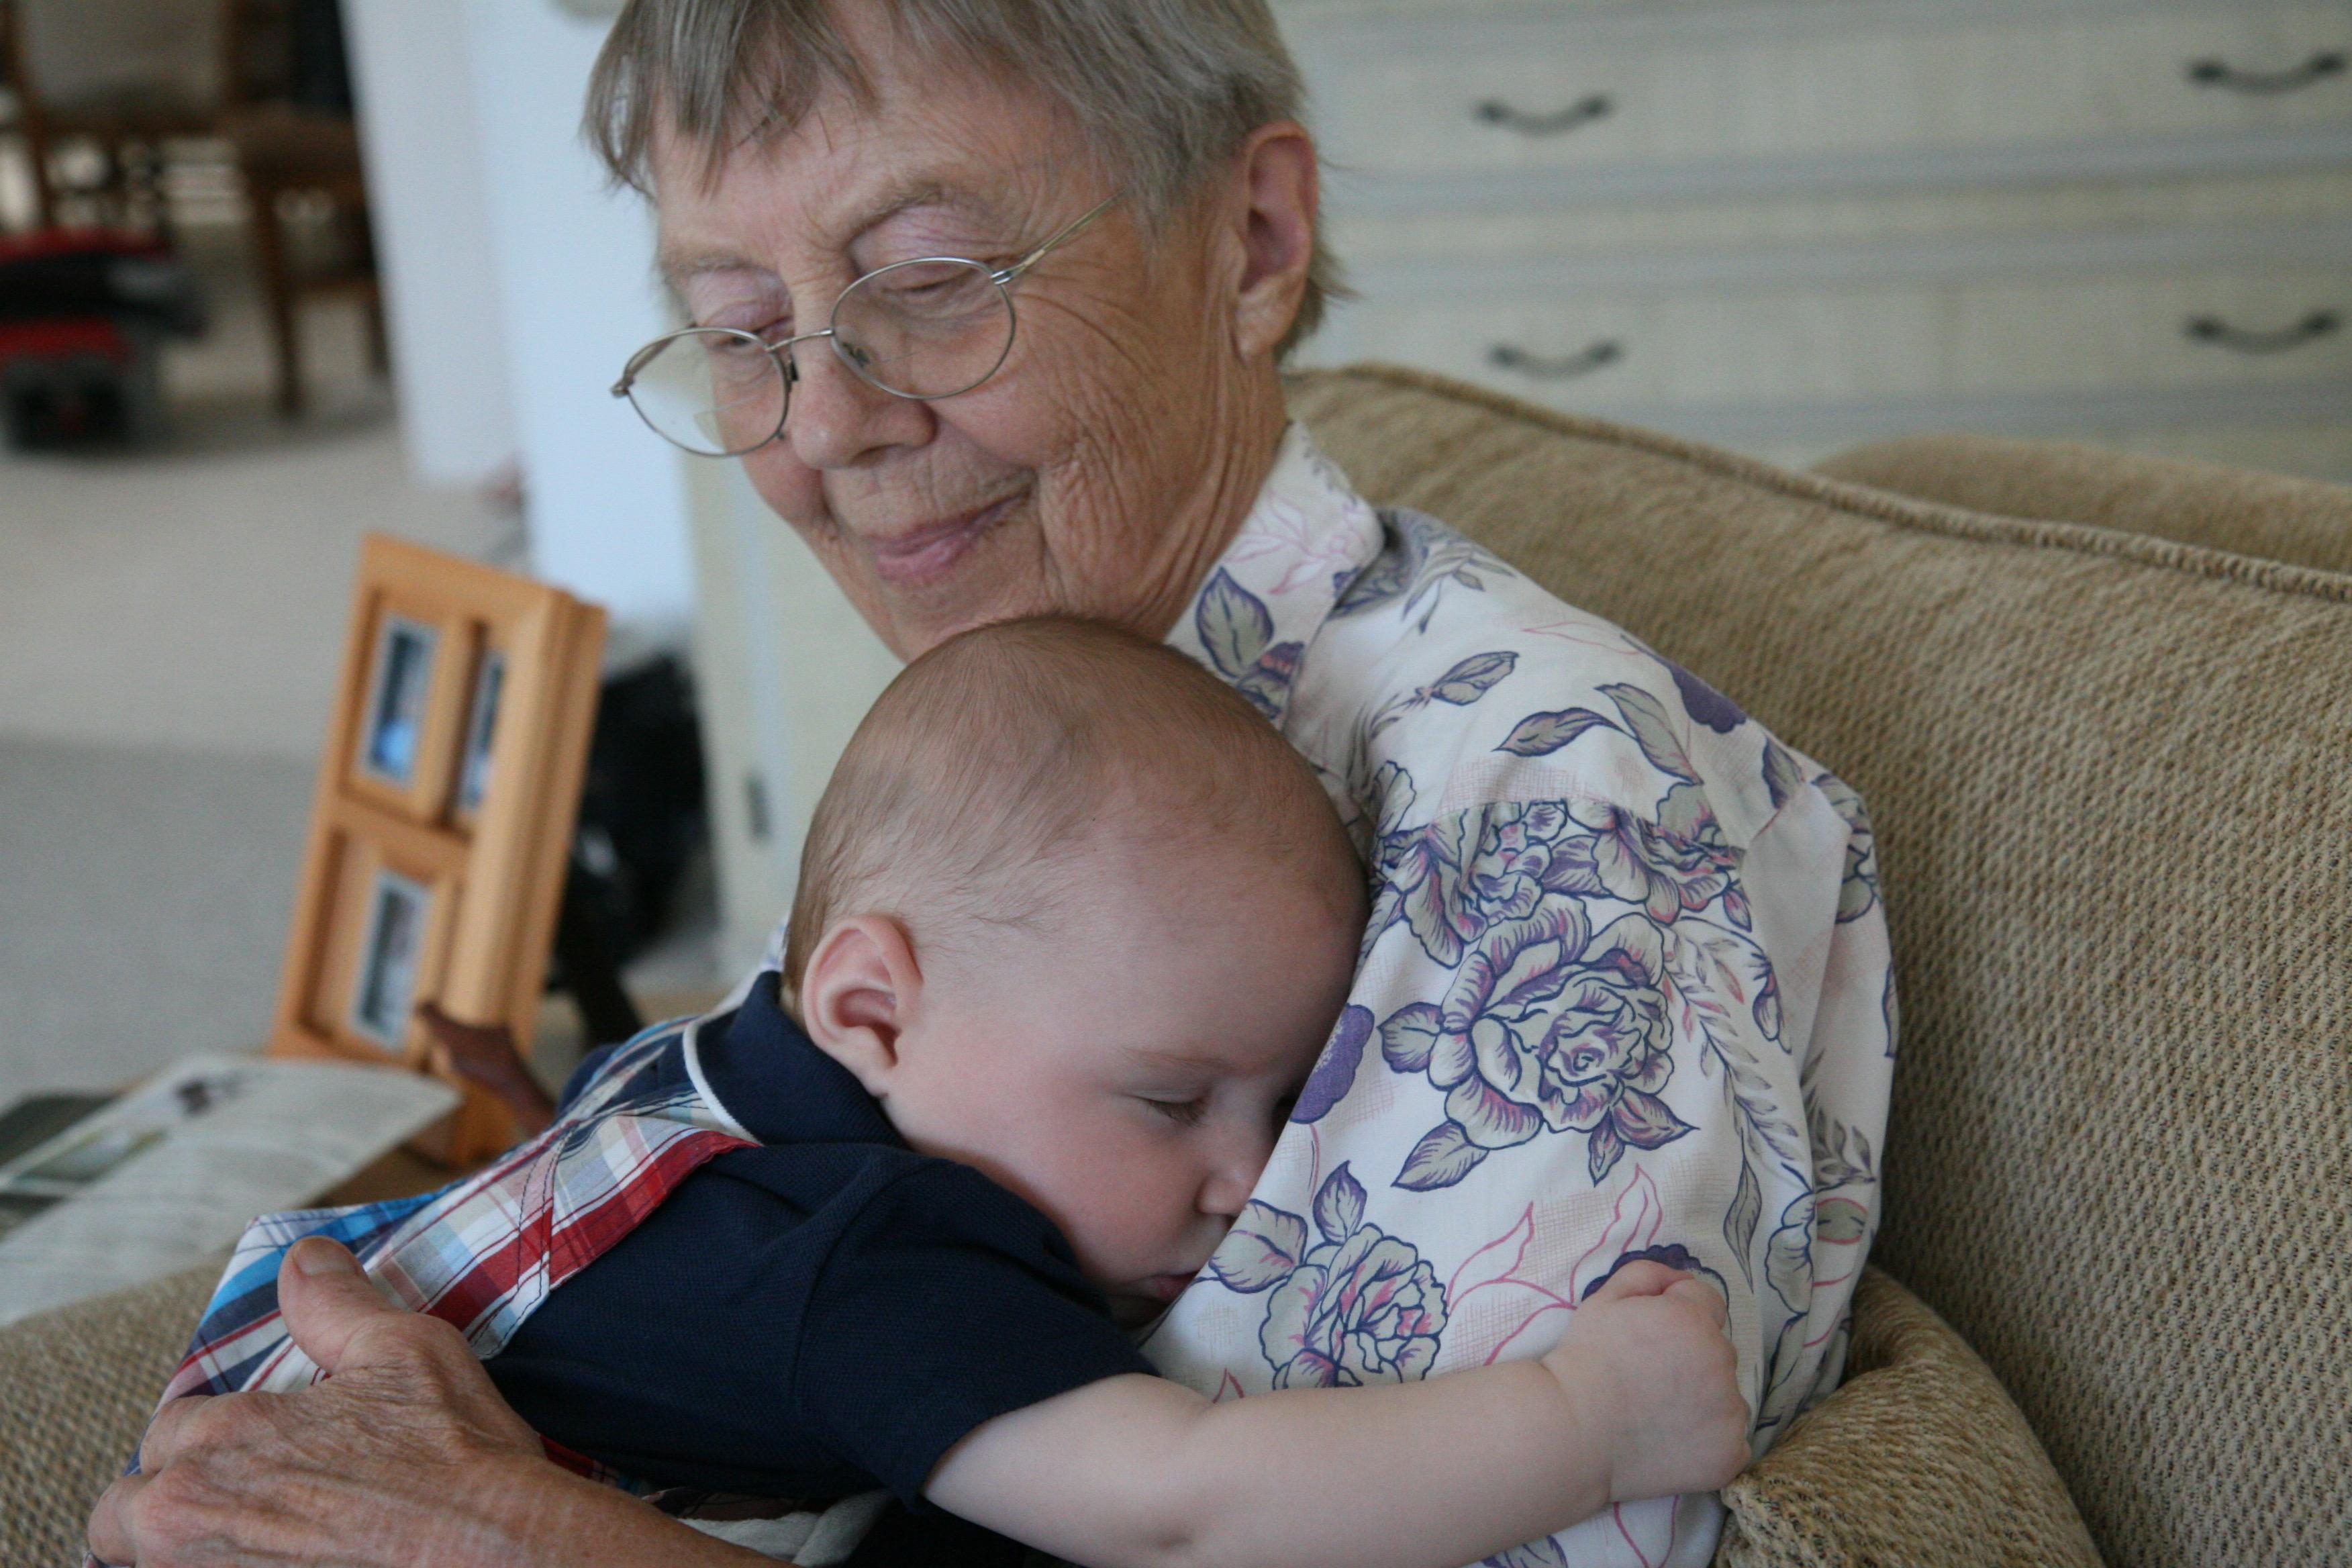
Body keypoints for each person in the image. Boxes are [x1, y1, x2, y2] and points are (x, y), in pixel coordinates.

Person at [91, 3, 1893, 1564]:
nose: (819, 425)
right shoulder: (1036, 755)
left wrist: (529, 1541)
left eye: (929, 283)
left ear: (1254, 239)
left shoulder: (1542, 832)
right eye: (740, 329)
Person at [135, 618, 1748, 1568]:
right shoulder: (872, 1249)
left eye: (1279, 1099)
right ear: (872, 1005)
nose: (1247, 1179)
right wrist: (1591, 1420)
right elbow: (1176, 1508)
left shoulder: (728, 1081)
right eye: (1173, 1100)